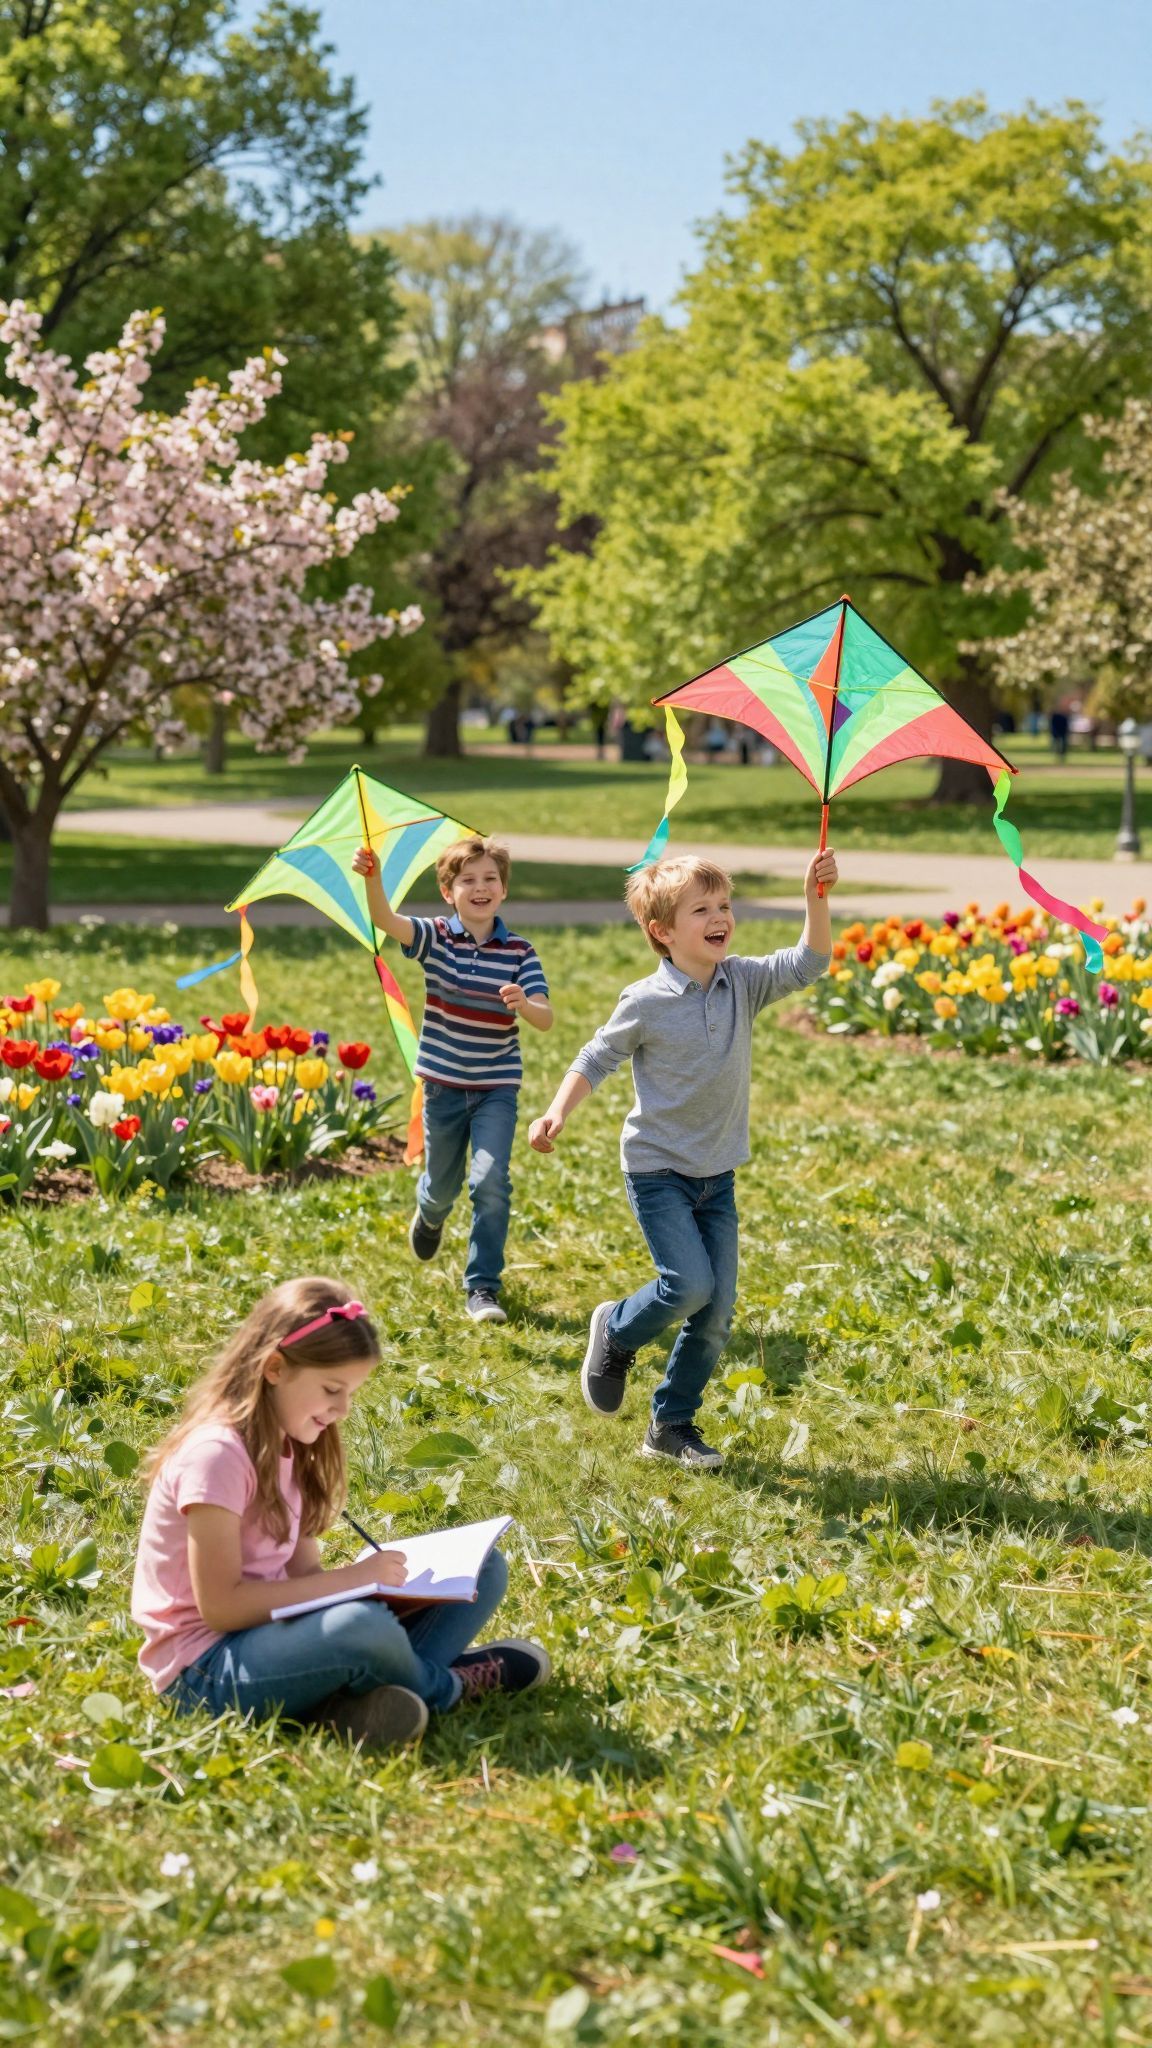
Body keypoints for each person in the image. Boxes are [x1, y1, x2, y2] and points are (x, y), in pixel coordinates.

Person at [131, 1278, 549, 1749]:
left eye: (350, 1391)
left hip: (268, 1640)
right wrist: (356, 1584)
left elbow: (305, 1575)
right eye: (332, 1388)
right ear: (274, 1368)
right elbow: (222, 1608)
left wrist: (382, 1590)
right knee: (359, 1627)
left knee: (484, 1569)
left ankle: (352, 1700)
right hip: (204, 1673)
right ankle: (445, 1687)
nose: (343, 1408)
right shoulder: (217, 1455)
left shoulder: (292, 1448)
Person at [528, 848, 837, 1469]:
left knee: (716, 1311)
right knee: (689, 1286)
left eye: (724, 906)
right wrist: (558, 1110)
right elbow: (595, 1057)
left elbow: (810, 961)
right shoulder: (645, 1000)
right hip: (658, 1169)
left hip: (715, 1175)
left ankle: (670, 1425)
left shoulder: (742, 981)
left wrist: (816, 897)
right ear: (662, 932)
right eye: (703, 910)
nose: (721, 917)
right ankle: (616, 1330)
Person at [352, 836, 552, 1324]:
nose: (480, 888)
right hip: (441, 1085)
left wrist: (524, 1005)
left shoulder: (520, 952)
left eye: (490, 879)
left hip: (496, 1090)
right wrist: (373, 879)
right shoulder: (435, 936)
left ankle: (482, 1287)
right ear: (448, 891)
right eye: (468, 880)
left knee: (490, 1182)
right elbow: (385, 920)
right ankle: (430, 1211)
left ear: (503, 890)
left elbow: (545, 1017)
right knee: (442, 1186)